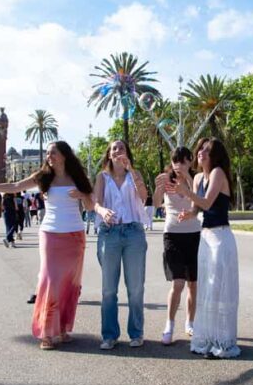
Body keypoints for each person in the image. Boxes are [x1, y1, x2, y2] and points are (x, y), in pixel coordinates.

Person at [0, 141, 93, 350]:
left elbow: (90, 205)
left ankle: (62, 329)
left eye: (53, 152)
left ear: (64, 155)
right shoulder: (43, 177)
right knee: (50, 281)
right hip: (51, 233)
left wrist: (82, 196)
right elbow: (15, 187)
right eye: (47, 153)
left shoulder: (78, 177)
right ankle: (46, 332)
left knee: (70, 284)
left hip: (74, 234)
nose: (49, 156)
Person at [168, 137, 240, 359]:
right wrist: (188, 213)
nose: (201, 153)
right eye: (200, 149)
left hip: (220, 236)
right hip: (206, 237)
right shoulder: (199, 177)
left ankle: (222, 342)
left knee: (218, 289)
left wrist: (185, 190)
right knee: (206, 289)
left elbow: (207, 202)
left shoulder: (218, 173)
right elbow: (198, 209)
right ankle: (207, 339)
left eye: (206, 151)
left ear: (215, 156)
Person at [92, 139, 149, 350]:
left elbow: (143, 197)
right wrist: (102, 211)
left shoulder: (135, 175)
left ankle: (136, 333)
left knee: (135, 288)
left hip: (133, 232)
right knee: (109, 289)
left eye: (122, 148)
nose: (118, 151)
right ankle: (109, 335)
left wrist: (132, 170)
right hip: (109, 233)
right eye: (114, 148)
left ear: (127, 153)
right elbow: (95, 203)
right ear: (109, 154)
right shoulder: (102, 177)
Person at [153, 146, 202, 346]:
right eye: (175, 161)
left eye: (183, 161)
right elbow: (156, 203)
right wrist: (158, 188)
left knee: (193, 283)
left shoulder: (197, 179)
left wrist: (188, 182)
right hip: (172, 234)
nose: (178, 165)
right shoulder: (166, 180)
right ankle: (169, 324)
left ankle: (190, 322)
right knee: (178, 283)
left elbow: (199, 204)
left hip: (194, 235)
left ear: (190, 162)